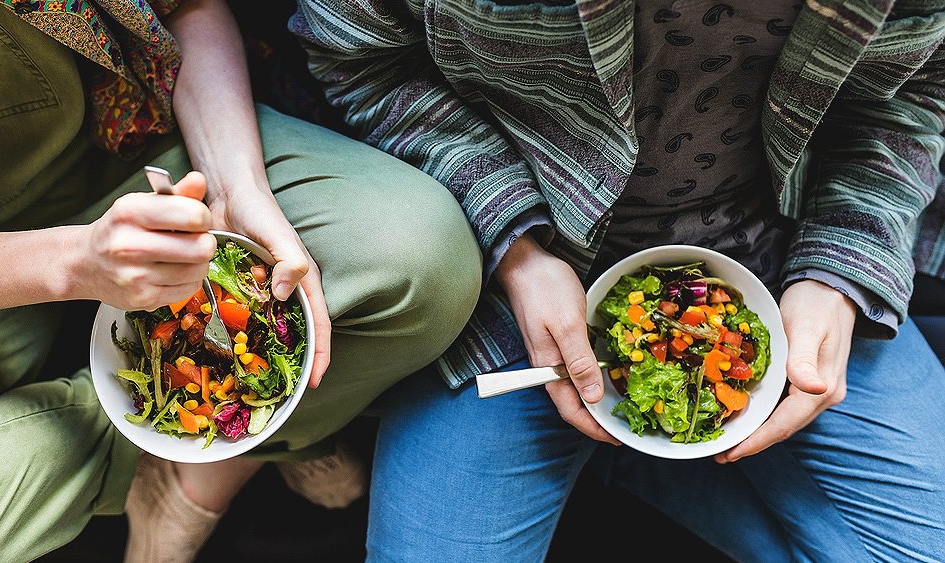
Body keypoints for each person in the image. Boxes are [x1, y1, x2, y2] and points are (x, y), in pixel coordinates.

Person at [289, 1, 945, 561]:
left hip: (776, 259)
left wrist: (838, 269)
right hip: (503, 285)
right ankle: (628, 451)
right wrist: (517, 248)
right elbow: (358, 57)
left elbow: (913, 89)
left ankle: (629, 455)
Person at [0, 0, 481, 561]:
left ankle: (207, 459)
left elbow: (189, 8)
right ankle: (181, 454)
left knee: (425, 260)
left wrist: (234, 190)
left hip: (125, 137)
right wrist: (71, 263)